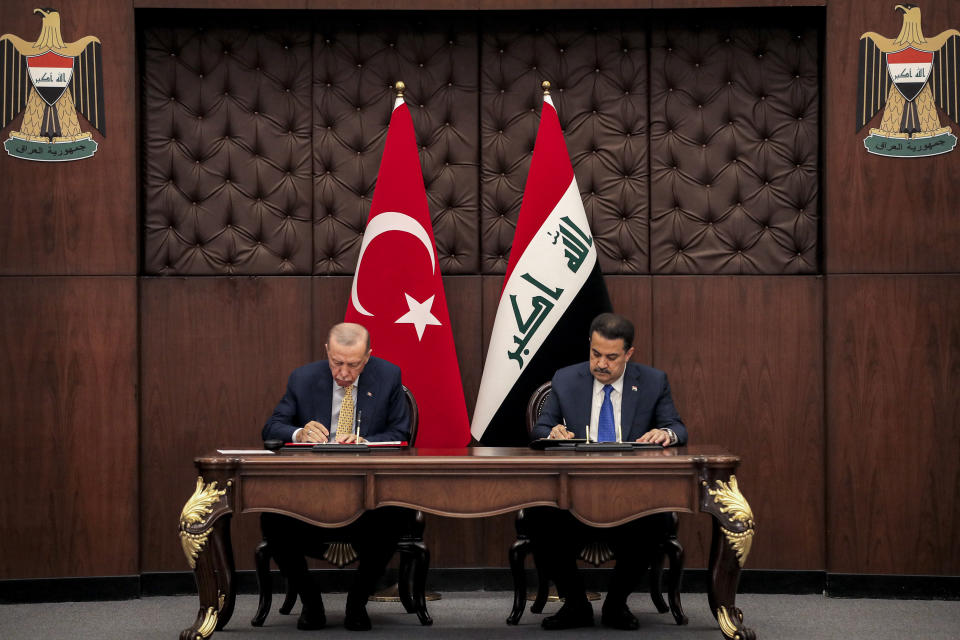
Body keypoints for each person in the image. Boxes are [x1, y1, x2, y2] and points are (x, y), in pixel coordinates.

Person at [530, 312, 688, 631]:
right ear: (590, 346)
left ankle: (617, 604)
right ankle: (575, 604)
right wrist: (552, 433)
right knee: (537, 515)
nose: (601, 364)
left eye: (611, 357)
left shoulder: (653, 382)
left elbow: (677, 427)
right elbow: (541, 428)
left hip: (631, 497)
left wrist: (666, 435)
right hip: (572, 496)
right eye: (595, 354)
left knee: (657, 519)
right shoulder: (565, 379)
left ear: (629, 354)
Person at [260, 322, 410, 631]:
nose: (343, 372)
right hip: (310, 495)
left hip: (368, 495)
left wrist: (367, 443)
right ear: (327, 352)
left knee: (399, 512)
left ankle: (357, 602)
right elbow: (272, 427)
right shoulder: (302, 379)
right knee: (271, 518)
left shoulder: (388, 376)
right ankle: (310, 601)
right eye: (336, 363)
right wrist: (298, 432)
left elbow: (401, 435)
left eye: (353, 365)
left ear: (367, 357)